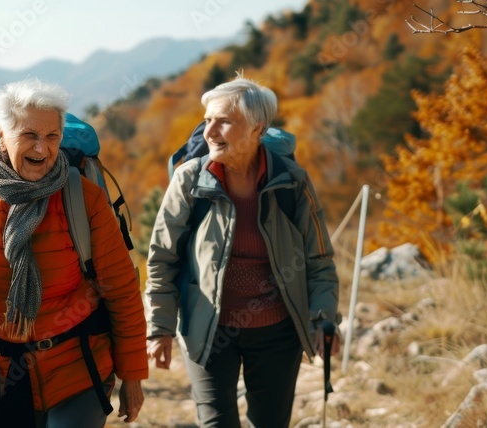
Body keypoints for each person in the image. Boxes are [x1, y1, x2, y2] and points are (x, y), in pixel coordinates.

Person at [0, 78, 146, 427]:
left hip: (78, 368)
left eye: (51, 137)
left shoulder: (83, 196)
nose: (42, 150)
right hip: (2, 371)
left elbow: (120, 289)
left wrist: (133, 376)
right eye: (29, 135)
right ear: (3, 135)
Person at [145, 77, 342, 428]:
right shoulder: (191, 180)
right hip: (208, 327)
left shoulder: (291, 181)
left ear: (257, 128)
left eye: (224, 121)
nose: (210, 131)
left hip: (277, 332)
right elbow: (162, 257)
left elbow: (319, 258)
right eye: (207, 121)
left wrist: (322, 318)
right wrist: (159, 326)